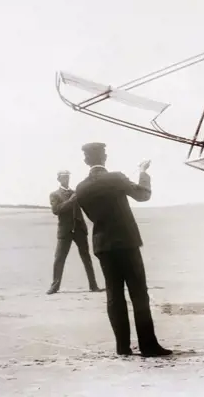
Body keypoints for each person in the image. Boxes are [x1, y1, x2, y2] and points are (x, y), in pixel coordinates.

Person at [74, 142, 172, 358]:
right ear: (105, 157)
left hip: (102, 245)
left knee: (114, 295)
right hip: (126, 242)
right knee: (139, 294)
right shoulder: (116, 178)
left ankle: (122, 347)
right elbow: (143, 195)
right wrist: (143, 172)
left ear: (86, 160)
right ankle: (148, 346)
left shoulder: (81, 188)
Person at [47, 170, 103, 295]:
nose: (66, 179)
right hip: (65, 231)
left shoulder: (75, 193)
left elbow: (87, 205)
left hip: (79, 230)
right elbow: (56, 210)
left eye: (67, 177)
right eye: (63, 177)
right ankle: (54, 287)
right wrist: (71, 201)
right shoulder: (54, 194)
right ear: (59, 179)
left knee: (86, 258)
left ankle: (93, 286)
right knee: (59, 258)